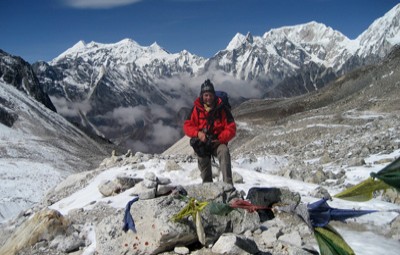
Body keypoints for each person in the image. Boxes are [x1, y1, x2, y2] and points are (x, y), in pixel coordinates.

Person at [183, 79, 236, 184]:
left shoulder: (222, 109)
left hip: (218, 143)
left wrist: (220, 139)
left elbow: (231, 128)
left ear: (214, 95)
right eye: (206, 95)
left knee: (224, 151)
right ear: (202, 96)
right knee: (202, 156)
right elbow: (187, 126)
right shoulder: (196, 109)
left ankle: (228, 185)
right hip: (203, 143)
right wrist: (198, 134)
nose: (208, 98)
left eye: (210, 95)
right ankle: (208, 185)